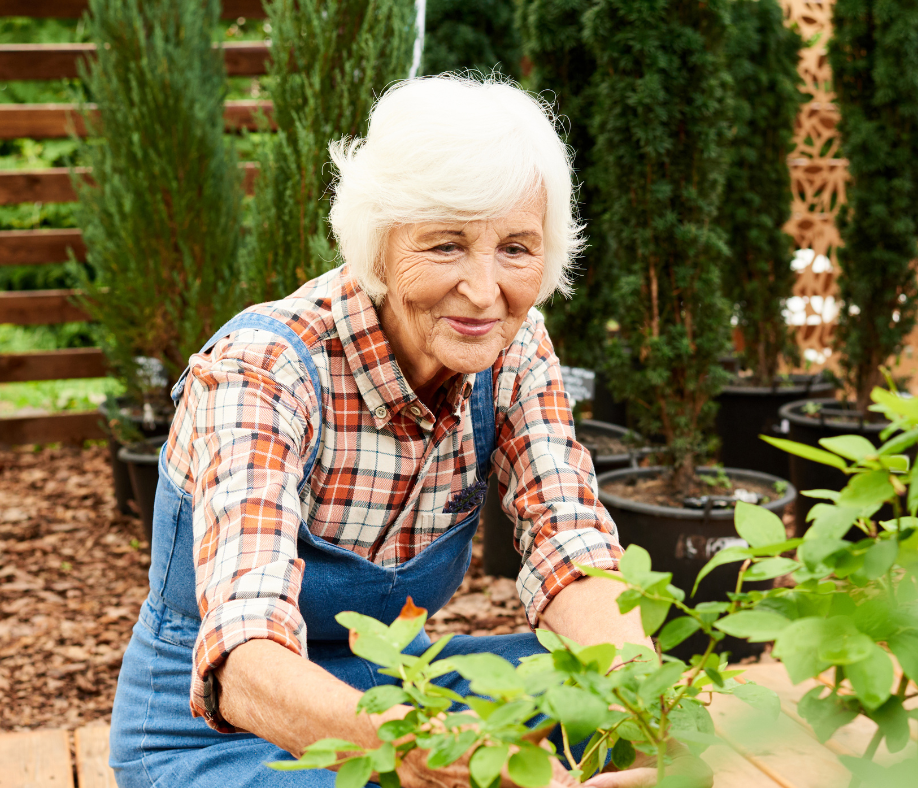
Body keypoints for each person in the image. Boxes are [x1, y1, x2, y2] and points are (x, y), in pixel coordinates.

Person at [109, 75, 711, 788]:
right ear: (379, 242)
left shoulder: (512, 348)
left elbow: (570, 544)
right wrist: (428, 749)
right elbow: (245, 665)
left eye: (516, 248)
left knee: (626, 704)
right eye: (447, 245)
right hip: (221, 733)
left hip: (397, 688)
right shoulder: (264, 371)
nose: (485, 292)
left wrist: (643, 714)